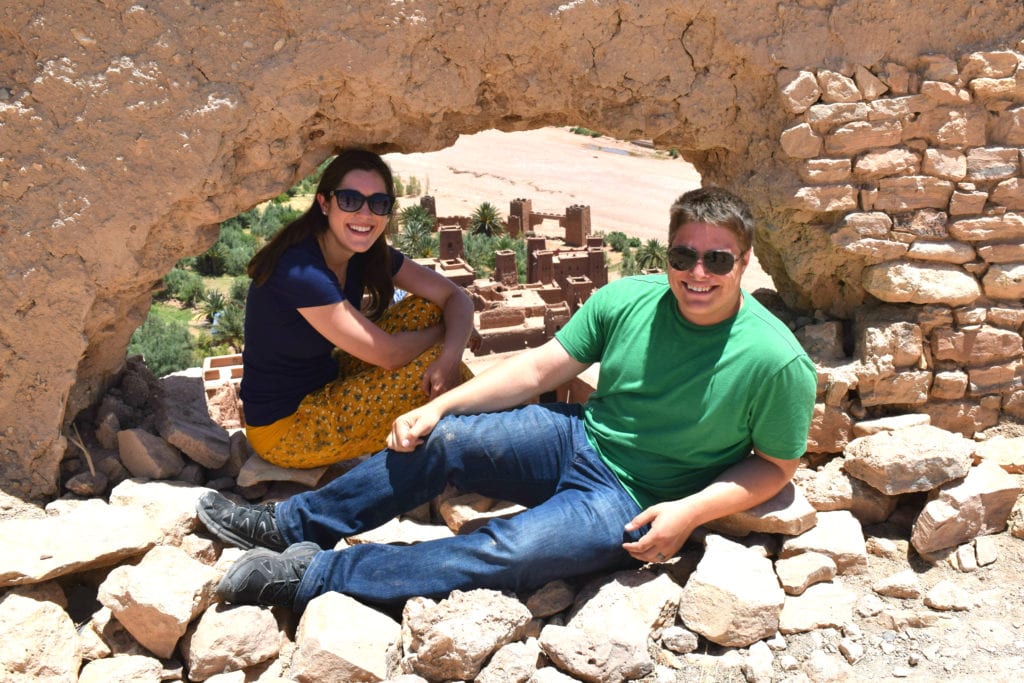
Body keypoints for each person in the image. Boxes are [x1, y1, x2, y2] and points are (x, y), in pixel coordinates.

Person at [197, 186, 818, 611]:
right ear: (669, 251)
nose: (698, 272)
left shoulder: (774, 358)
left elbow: (775, 466)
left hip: (637, 495)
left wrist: (691, 512)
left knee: (509, 551)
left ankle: (317, 576)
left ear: (744, 263)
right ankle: (287, 525)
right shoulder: (630, 298)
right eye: (685, 254)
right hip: (579, 436)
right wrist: (440, 406)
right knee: (446, 440)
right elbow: (541, 367)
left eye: (718, 259)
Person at [237, 149, 475, 469]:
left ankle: (473, 425)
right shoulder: (301, 270)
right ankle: (479, 441)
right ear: (324, 203)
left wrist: (450, 356)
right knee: (432, 366)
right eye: (350, 200)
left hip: (327, 382)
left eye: (378, 203)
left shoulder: (361, 251)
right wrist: (445, 337)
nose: (365, 214)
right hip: (286, 429)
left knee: (427, 311)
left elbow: (455, 297)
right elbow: (389, 355)